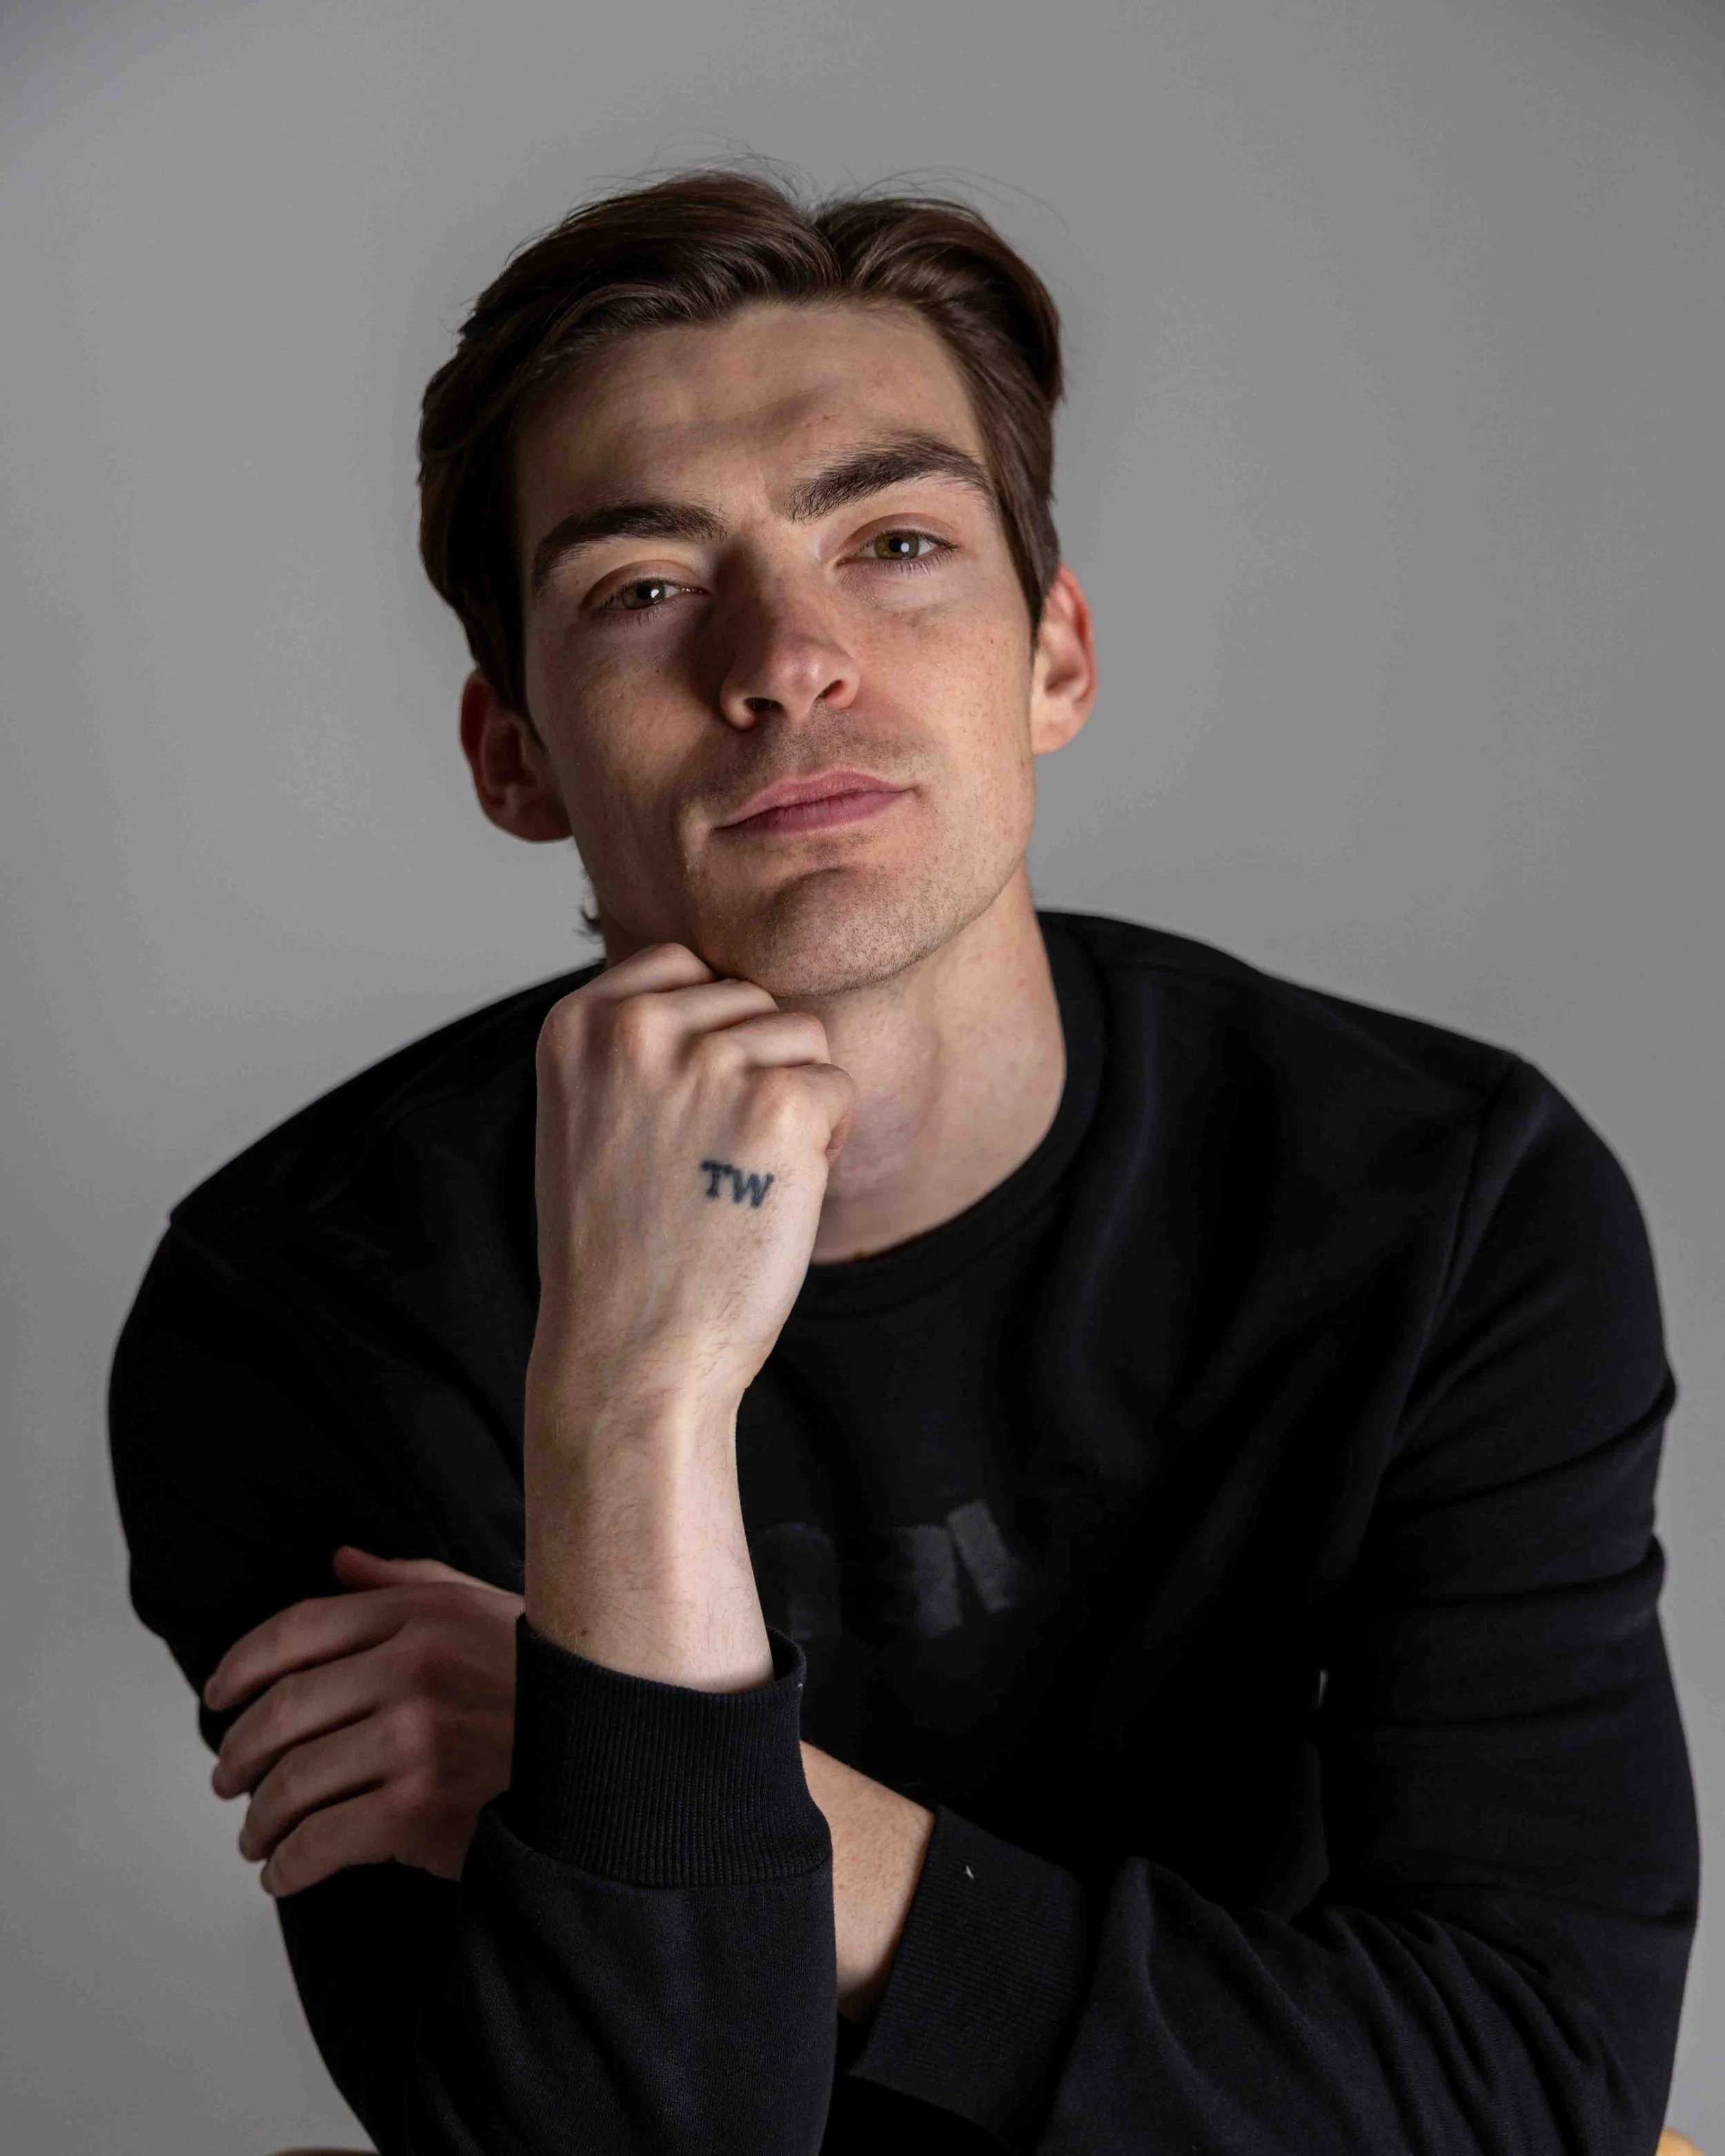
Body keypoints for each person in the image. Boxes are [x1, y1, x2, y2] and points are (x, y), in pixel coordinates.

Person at [107, 166, 1698, 2156]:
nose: (786, 657)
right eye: (644, 587)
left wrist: (668, 1774)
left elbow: (1535, 2098)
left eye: (896, 541)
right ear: (511, 752)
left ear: (1053, 654)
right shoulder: (300, 1316)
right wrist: (628, 1410)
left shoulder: (1442, 1206)